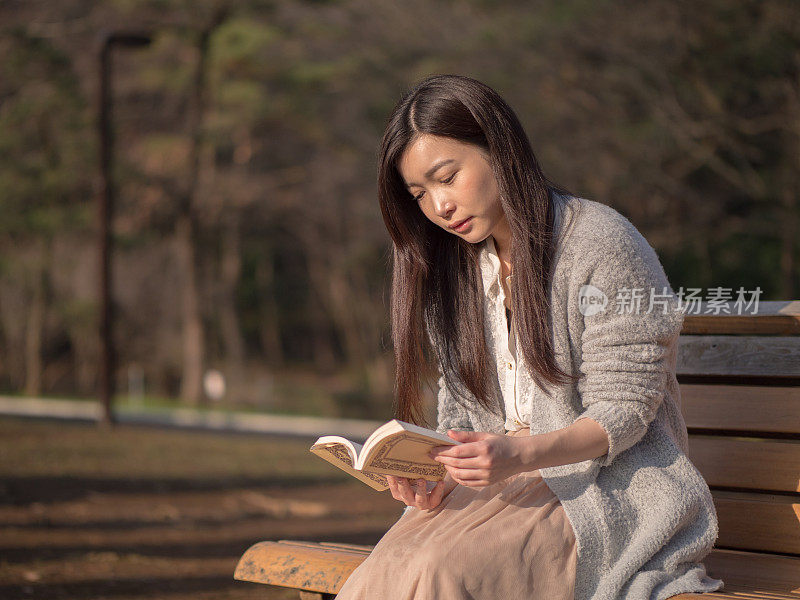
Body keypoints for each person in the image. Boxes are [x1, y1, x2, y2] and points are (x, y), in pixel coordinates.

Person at [334, 74, 724, 600]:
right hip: (504, 488)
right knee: (383, 575)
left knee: (439, 574)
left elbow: (623, 412)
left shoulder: (599, 242)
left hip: (605, 491)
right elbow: (462, 418)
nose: (438, 207)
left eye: (448, 177)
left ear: (498, 147)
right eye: (420, 194)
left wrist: (520, 455)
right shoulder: (457, 271)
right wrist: (435, 473)